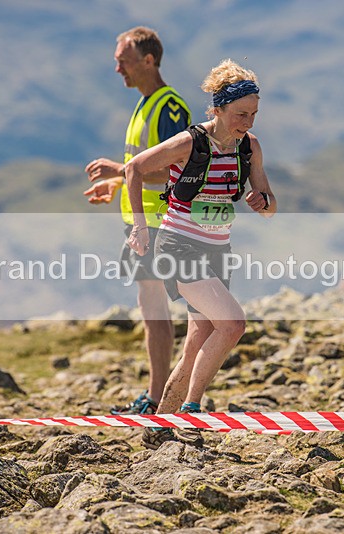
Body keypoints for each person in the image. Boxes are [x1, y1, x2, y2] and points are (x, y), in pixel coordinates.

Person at [125, 59, 276, 449]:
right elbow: (135, 169)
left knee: (199, 339)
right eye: (241, 114)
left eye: (253, 114)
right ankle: (192, 411)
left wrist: (261, 202)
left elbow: (270, 205)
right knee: (233, 324)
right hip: (178, 245)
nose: (248, 122)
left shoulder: (250, 147)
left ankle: (159, 427)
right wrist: (140, 226)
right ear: (218, 109)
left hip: (217, 251)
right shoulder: (190, 142)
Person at [83, 27, 191, 415]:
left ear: (148, 60)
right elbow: (142, 169)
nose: (117, 69)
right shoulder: (144, 104)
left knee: (164, 310)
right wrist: (117, 183)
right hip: (144, 224)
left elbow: (180, 169)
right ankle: (159, 396)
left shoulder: (168, 107)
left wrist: (120, 169)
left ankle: (165, 398)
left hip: (163, 223)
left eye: (123, 61)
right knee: (152, 309)